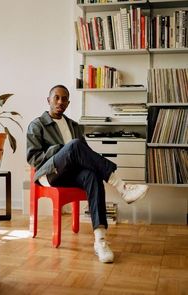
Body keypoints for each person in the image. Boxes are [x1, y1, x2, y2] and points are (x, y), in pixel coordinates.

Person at [26, 84, 148, 263]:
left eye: (65, 99)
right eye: (56, 97)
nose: (60, 102)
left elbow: (85, 156)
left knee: (92, 174)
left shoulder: (74, 126)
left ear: (68, 102)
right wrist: (60, 150)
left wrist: (76, 154)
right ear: (48, 100)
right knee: (74, 145)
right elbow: (33, 159)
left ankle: (100, 240)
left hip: (71, 175)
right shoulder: (37, 125)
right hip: (49, 175)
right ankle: (122, 187)